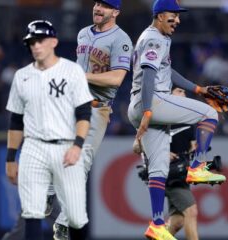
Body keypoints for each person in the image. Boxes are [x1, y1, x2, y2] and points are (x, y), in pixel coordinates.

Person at [127, 0, 226, 239]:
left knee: (159, 169)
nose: (178, 20)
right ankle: (197, 166)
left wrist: (198, 89)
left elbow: (166, 71)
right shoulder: (154, 38)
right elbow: (150, 75)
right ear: (160, 15)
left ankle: (158, 224)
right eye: (174, 15)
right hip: (152, 100)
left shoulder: (155, 37)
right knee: (209, 113)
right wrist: (148, 112)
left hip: (141, 103)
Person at [5, 20, 93, 240]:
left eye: (41, 40)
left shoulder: (72, 71)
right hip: (33, 147)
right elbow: (16, 121)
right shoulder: (21, 76)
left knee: (75, 215)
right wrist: (10, 158)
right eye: (32, 42)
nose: (36, 46)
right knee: (32, 212)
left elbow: (84, 114)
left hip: (66, 146)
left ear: (53, 41)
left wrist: (78, 145)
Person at [52, 0, 133, 239]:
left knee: (81, 162)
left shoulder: (122, 40)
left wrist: (80, 75)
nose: (98, 8)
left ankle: (63, 223)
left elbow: (117, 78)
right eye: (97, 3)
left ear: (116, 12)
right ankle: (48, 197)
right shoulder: (83, 33)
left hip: (97, 109)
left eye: (105, 5)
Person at [135, 87, 200, 240]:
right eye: (178, 91)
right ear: (168, 95)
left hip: (181, 173)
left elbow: (192, 146)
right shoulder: (158, 116)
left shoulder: (188, 119)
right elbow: (137, 146)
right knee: (191, 211)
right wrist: (161, 152)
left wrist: (196, 149)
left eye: (184, 92)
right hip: (164, 172)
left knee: (177, 221)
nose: (183, 94)